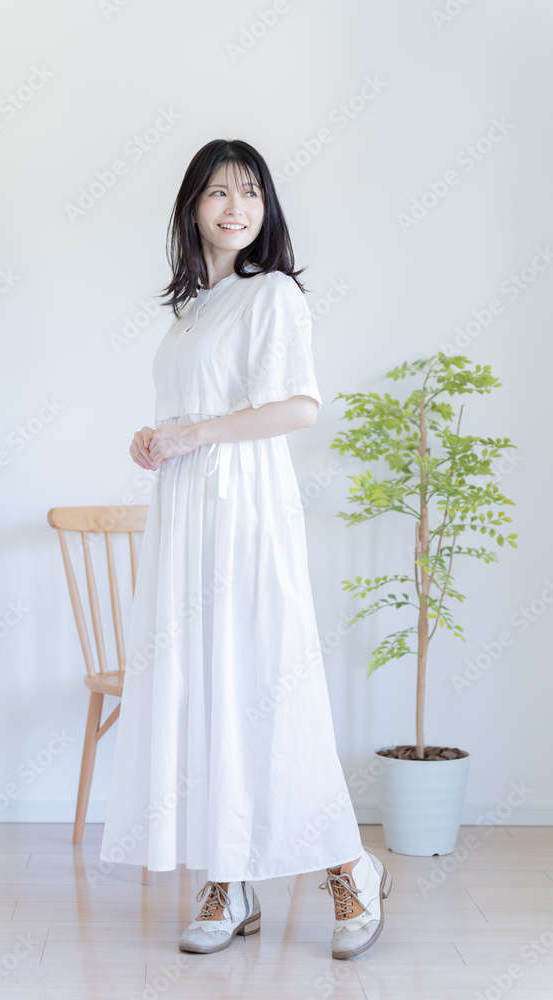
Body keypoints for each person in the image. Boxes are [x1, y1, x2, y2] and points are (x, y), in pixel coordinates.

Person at [99, 138, 391, 959]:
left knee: (266, 683)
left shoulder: (272, 294)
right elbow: (195, 409)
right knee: (202, 691)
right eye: (219, 192)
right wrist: (156, 436)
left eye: (251, 193)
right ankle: (227, 880)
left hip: (246, 513)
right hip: (186, 516)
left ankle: (350, 869)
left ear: (267, 209)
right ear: (192, 206)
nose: (236, 208)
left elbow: (298, 406)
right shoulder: (193, 307)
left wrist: (193, 434)